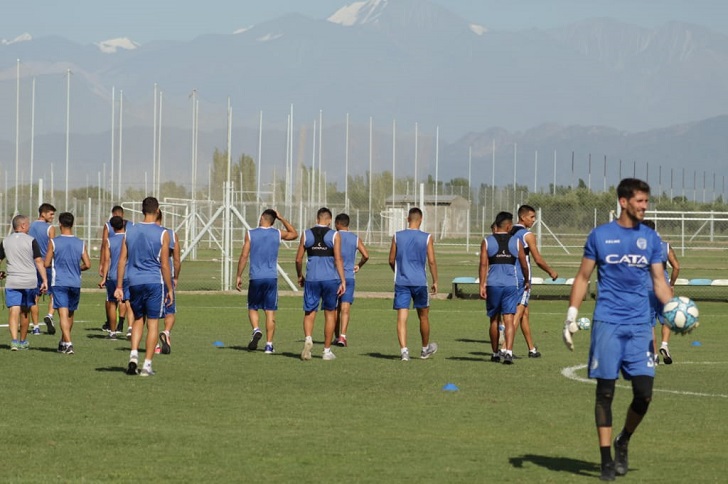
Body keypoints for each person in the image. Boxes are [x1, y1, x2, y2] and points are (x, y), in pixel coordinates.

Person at [563, 178, 673, 481]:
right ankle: (605, 459)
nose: (644, 206)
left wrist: (673, 310)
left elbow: (659, 282)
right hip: (607, 324)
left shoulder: (650, 238)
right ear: (623, 201)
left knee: (644, 394)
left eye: (647, 202)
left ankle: (624, 439)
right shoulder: (600, 236)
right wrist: (571, 315)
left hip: (640, 327)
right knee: (605, 392)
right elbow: (583, 277)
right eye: (640, 201)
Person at [115, 197, 173, 376]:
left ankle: (133, 355)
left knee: (138, 319)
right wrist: (170, 288)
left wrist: (119, 286)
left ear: (142, 210)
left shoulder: (130, 230)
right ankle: (147, 365)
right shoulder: (163, 233)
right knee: (153, 323)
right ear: (157, 210)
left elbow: (122, 260)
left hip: (134, 281)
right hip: (154, 281)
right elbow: (164, 264)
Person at [236, 209, 298, 354]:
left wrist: (239, 275)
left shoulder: (251, 233)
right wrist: (282, 218)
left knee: (252, 307)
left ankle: (256, 329)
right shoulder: (277, 233)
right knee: (270, 312)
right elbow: (294, 234)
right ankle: (269, 345)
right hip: (271, 277)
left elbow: (244, 256)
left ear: (263, 217)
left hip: (256, 277)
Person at [388, 207, 439, 361]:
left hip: (402, 282)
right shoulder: (427, 237)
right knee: (423, 317)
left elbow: (391, 259)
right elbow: (431, 261)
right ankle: (424, 350)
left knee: (402, 317)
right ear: (421, 219)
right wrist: (435, 280)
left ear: (407, 219)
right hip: (420, 282)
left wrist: (399, 271)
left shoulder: (397, 236)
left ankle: (404, 351)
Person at [508, 204, 559, 357]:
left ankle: (531, 349)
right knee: (519, 311)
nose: (533, 220)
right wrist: (551, 271)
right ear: (522, 217)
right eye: (531, 217)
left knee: (524, 313)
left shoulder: (509, 231)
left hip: (509, 275)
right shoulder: (527, 235)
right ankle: (506, 348)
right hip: (523, 277)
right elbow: (537, 259)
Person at [479, 211, 530, 365]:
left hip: (493, 284)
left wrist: (482, 284)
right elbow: (523, 264)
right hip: (510, 284)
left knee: (494, 319)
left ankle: (495, 353)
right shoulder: (516, 242)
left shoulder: (487, 241)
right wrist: (527, 280)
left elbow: (483, 264)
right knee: (509, 319)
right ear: (508, 226)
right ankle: (508, 352)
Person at [295, 207, 345, 361]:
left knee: (309, 312)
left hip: (312, 279)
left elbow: (298, 259)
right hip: (330, 279)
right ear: (329, 220)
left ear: (317, 219)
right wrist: (343, 280)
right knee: (330, 313)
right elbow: (338, 259)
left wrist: (300, 275)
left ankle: (308, 339)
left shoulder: (306, 234)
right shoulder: (334, 235)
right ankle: (326, 351)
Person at [44, 212, 91, 354]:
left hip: (59, 282)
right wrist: (77, 268)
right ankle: (63, 342)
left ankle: (69, 343)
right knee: (70, 314)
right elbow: (88, 264)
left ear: (60, 224)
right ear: (73, 224)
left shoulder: (54, 242)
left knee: (63, 314)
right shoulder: (80, 242)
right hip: (75, 282)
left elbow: (46, 263)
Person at [0, 215, 49, 350]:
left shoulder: (5, 241)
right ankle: (23, 341)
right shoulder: (31, 240)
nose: (29, 227)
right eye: (27, 224)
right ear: (22, 226)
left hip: (12, 281)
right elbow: (39, 261)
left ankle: (14, 341)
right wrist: (44, 280)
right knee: (25, 312)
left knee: (13, 311)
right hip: (29, 281)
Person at [641, 219, 680, 364]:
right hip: (663, 287)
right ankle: (665, 345)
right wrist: (671, 284)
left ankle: (654, 355)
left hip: (646, 288)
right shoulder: (665, 246)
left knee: (649, 324)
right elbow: (676, 266)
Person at [333, 212, 369, 347]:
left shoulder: (333, 236)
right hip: (348, 276)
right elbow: (366, 255)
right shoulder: (355, 238)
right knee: (345, 307)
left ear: (337, 224)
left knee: (334, 308)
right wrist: (359, 265)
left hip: (334, 276)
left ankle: (335, 336)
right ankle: (343, 336)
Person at [98, 216, 130, 339]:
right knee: (128, 302)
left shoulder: (109, 241)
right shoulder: (129, 239)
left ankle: (112, 332)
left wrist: (104, 278)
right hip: (127, 275)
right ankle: (130, 329)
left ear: (111, 227)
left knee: (112, 303)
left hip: (113, 276)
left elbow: (107, 260)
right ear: (123, 224)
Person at [156, 211, 182, 355]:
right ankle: (166, 332)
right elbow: (177, 260)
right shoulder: (171, 234)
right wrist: (176, 276)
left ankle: (154, 346)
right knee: (170, 309)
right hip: (168, 278)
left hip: (152, 276)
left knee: (152, 315)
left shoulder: (143, 232)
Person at [28, 203, 56, 335]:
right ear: (43, 213)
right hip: (46, 265)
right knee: (54, 294)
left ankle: (35, 327)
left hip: (32, 265)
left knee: (35, 296)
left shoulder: (29, 226)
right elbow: (53, 247)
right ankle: (50, 315)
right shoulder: (50, 228)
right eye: (51, 214)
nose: (53, 216)